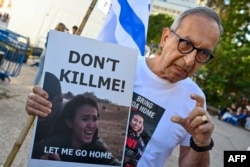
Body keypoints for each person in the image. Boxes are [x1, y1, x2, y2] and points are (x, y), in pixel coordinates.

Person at [26, 6, 223, 166]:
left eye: (203, 53)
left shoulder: (194, 101)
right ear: (165, 38)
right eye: (186, 44)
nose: (190, 61)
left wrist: (201, 143)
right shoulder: (116, 66)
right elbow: (59, 118)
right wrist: (40, 106)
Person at [32, 93, 120, 165]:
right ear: (69, 122)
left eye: (95, 119)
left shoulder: (99, 150)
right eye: (85, 119)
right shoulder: (49, 147)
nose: (91, 125)